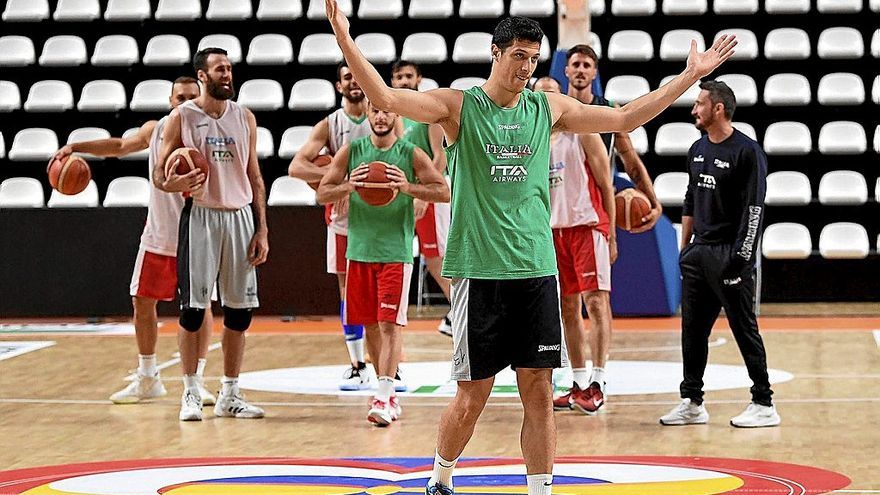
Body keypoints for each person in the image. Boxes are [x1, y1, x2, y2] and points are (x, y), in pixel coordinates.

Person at [325, 2, 735, 492]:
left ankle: (539, 489)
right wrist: (346, 40)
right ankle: (441, 477)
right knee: (471, 396)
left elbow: (624, 118)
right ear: (495, 52)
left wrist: (690, 75)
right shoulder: (459, 107)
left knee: (538, 390)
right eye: (517, 55)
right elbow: (387, 97)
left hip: (536, 271)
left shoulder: (548, 109)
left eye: (534, 59)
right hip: (479, 273)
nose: (525, 67)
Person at [52, 77, 216, 406]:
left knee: (200, 307)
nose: (184, 101)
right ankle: (147, 376)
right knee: (142, 301)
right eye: (179, 96)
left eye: (191, 97)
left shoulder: (210, 134)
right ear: (171, 99)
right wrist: (77, 147)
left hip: (196, 232)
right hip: (158, 233)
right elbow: (120, 147)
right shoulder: (155, 130)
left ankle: (196, 380)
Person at [316, 101, 450, 426]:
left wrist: (409, 189)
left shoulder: (410, 154)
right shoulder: (351, 151)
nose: (380, 116)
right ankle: (385, 390)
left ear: (396, 116)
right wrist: (350, 185)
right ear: (368, 115)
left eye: (386, 111)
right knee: (372, 325)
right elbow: (322, 193)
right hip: (359, 251)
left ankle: (386, 395)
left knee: (390, 324)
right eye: (374, 111)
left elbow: (442, 190)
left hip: (395, 252)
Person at [154, 47, 269, 422]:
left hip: (239, 217)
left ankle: (230, 393)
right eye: (220, 69)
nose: (227, 74)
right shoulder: (181, 118)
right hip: (201, 216)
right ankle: (190, 391)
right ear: (202, 75)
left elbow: (254, 175)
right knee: (192, 311)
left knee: (239, 314)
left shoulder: (244, 117)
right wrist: (178, 181)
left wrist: (262, 228)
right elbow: (159, 176)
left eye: (230, 69)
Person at [659, 80, 780, 428]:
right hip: (700, 254)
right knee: (692, 332)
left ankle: (764, 403)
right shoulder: (697, 148)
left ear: (718, 109)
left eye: (699, 104)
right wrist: (685, 249)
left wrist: (741, 259)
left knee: (744, 329)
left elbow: (754, 210)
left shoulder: (748, 152)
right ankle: (692, 401)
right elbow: (690, 199)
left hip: (731, 254)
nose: (694, 110)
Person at [533, 76, 615, 415]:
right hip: (552, 233)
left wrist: (610, 232)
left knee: (595, 303)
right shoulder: (533, 140)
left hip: (586, 226)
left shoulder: (583, 132)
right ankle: (578, 382)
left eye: (553, 94)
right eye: (541, 96)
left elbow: (606, 183)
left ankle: (599, 380)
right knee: (566, 309)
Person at [289, 63, 373, 391]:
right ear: (339, 86)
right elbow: (296, 167)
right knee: (348, 292)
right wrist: (336, 180)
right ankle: (357, 363)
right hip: (342, 220)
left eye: (357, 75)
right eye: (347, 77)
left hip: (380, 218)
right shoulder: (330, 125)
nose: (354, 81)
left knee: (383, 292)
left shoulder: (382, 119)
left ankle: (389, 366)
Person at [562, 44, 662, 230]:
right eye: (576, 65)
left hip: (597, 204)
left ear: (594, 73)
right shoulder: (557, 109)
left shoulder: (609, 110)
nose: (581, 70)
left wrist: (653, 202)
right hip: (560, 203)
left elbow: (631, 162)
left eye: (586, 65)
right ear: (567, 70)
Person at [389, 60, 454, 336]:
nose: (404, 81)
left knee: (437, 255)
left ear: (419, 78)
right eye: (399, 77)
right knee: (410, 254)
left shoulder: (429, 109)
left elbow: (440, 157)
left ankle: (462, 309)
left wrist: (426, 196)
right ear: (392, 81)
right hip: (406, 190)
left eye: (408, 76)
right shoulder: (393, 115)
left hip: (430, 191)